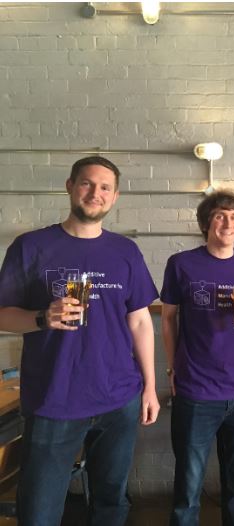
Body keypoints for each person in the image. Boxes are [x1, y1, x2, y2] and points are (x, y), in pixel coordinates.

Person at [0, 156, 160, 525]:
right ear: (70, 186)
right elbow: (3, 314)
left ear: (115, 196)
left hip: (118, 397)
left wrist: (150, 387)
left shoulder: (125, 251)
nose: (95, 193)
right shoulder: (31, 246)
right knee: (39, 511)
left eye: (105, 187)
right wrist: (41, 318)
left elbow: (139, 322)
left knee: (111, 503)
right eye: (87, 183)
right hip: (54, 399)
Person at [161, 190, 234, 526]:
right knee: (188, 488)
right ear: (205, 223)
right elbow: (168, 319)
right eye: (220, 216)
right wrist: (172, 366)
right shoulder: (181, 264)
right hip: (195, 392)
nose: (228, 223)